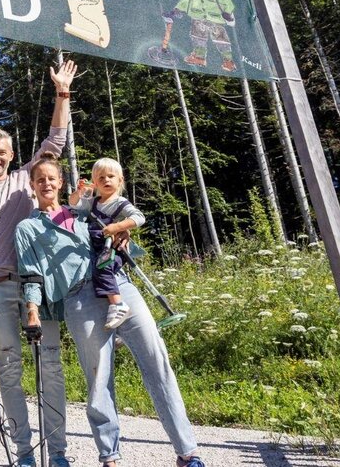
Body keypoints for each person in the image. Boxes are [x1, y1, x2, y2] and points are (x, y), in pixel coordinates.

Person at [15, 155, 206, 467]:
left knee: (158, 363)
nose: (46, 183)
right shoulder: (28, 228)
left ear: (61, 183)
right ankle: (110, 457)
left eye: (52, 178)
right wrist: (33, 309)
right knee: (98, 377)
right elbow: (30, 273)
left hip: (119, 287)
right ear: (33, 186)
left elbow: (117, 231)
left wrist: (124, 236)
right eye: (40, 180)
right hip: (78, 299)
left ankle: (188, 453)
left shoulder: (86, 214)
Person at [0, 59, 77, 467]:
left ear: (11, 155)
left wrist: (62, 92)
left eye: (2, 152)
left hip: (37, 284)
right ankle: (24, 454)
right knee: (8, 369)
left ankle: (57, 453)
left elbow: (56, 141)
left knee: (52, 365)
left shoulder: (26, 179)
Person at [67, 158, 146, 330]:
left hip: (114, 248)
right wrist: (79, 191)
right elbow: (73, 204)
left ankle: (118, 305)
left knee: (103, 268)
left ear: (120, 180)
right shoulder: (93, 202)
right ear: (94, 183)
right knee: (98, 275)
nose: (106, 180)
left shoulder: (120, 203)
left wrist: (119, 226)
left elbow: (139, 217)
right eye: (101, 178)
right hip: (97, 247)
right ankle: (118, 331)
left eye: (111, 176)